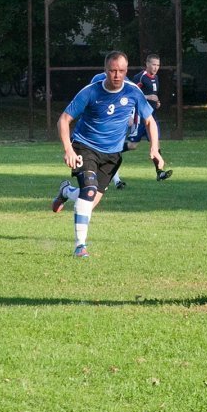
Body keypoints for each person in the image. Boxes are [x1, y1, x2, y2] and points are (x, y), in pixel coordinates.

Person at [52, 50, 164, 258]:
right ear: (105, 71)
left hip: (112, 156)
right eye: (112, 71)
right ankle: (80, 246)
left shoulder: (132, 92)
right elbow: (64, 119)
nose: (117, 75)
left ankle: (66, 192)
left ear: (126, 71)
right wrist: (68, 149)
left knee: (89, 200)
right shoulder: (90, 91)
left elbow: (149, 121)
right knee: (89, 192)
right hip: (84, 147)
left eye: (121, 71)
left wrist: (154, 148)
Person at [130, 53, 173, 181]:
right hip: (140, 117)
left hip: (151, 117)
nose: (155, 67)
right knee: (132, 146)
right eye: (153, 64)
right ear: (147, 64)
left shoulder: (156, 78)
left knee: (156, 144)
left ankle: (160, 172)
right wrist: (148, 97)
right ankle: (109, 153)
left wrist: (156, 102)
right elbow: (132, 94)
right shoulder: (140, 77)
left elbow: (153, 94)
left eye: (158, 65)